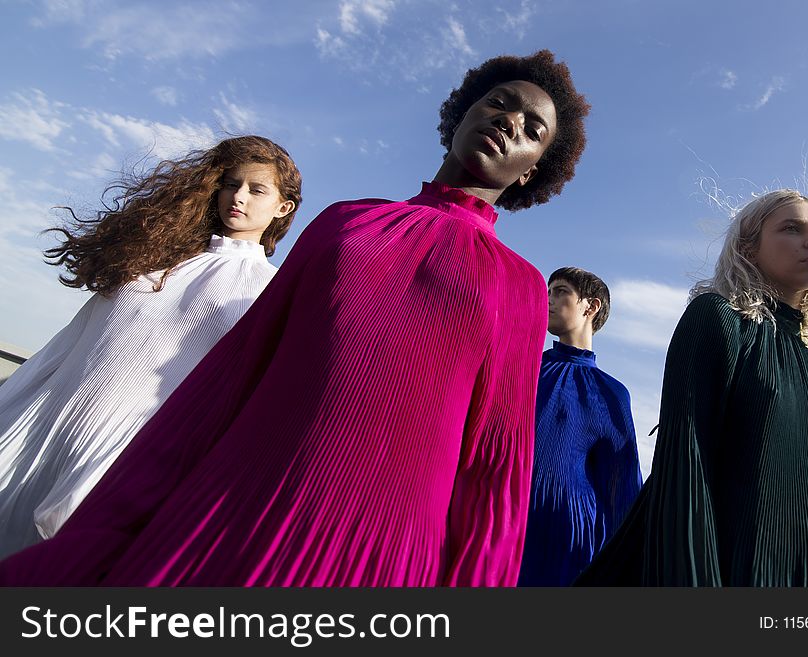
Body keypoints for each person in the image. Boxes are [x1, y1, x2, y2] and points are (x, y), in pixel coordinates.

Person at [0, 50, 590, 586]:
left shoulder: (521, 286)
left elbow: (494, 465)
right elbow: (233, 374)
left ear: (532, 169)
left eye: (532, 128)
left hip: (386, 551)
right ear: (462, 113)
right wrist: (115, 521)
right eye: (498, 103)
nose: (509, 121)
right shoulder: (346, 223)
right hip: (231, 508)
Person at [0, 135, 301, 559]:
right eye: (230, 183)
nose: (237, 197)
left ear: (282, 207)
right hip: (42, 422)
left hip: (121, 453)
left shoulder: (267, 291)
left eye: (257, 189)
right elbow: (73, 341)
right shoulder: (156, 258)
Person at [575, 189, 808, 586]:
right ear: (749, 249)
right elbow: (685, 466)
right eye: (791, 228)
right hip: (749, 573)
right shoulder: (716, 319)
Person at [517, 267, 642, 586]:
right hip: (512, 523)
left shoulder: (611, 394)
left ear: (591, 306)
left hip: (575, 539)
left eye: (560, 291)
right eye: (547, 292)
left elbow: (623, 483)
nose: (548, 300)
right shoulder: (523, 366)